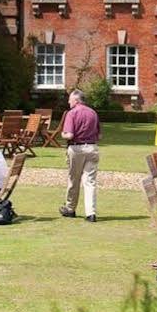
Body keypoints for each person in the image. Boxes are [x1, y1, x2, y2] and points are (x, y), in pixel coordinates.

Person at [59, 88, 100, 222]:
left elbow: (69, 135)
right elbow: (100, 134)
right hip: (92, 147)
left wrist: (62, 134)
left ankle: (70, 208)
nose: (68, 102)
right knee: (90, 182)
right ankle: (91, 213)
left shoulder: (72, 113)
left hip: (77, 148)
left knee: (74, 179)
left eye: (70, 99)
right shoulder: (93, 113)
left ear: (76, 100)